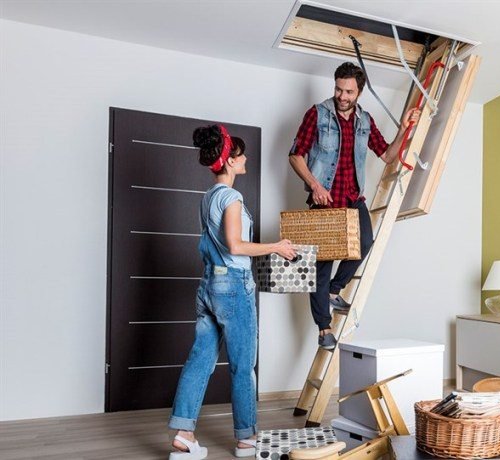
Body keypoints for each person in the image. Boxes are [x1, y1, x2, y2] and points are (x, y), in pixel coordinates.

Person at [168, 124, 297, 460]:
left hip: (209, 284)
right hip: (233, 288)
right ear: (229, 162)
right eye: (240, 155)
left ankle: (184, 436)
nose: (245, 159)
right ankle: (246, 440)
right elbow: (236, 245)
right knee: (242, 365)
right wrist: (276, 247)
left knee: (200, 360)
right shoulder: (232, 197)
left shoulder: (207, 197)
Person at [288, 62, 420, 350]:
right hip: (325, 201)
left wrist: (406, 127)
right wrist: (315, 185)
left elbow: (386, 155)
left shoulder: (365, 121)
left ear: (359, 91)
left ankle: (335, 291)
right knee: (321, 266)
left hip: (352, 199)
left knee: (365, 241)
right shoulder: (317, 114)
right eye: (338, 88)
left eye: (348, 91)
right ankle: (324, 330)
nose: (342, 95)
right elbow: (296, 156)